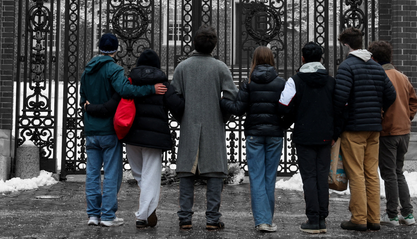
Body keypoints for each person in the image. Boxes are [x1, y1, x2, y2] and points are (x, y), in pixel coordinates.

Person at [85, 48, 185, 229]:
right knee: (151, 176)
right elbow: (178, 107)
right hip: (154, 139)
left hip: (131, 137)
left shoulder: (129, 82)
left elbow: (112, 105)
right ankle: (143, 214)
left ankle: (146, 207)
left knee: (140, 174)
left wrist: (90, 108)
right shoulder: (162, 84)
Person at [172, 24, 238, 231]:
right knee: (215, 172)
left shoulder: (182, 67)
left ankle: (185, 218)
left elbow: (174, 98)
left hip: (189, 124)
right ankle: (212, 218)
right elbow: (231, 96)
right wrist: (222, 116)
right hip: (213, 125)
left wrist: (181, 115)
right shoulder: (220, 67)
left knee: (186, 172)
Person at [334, 27, 396, 232]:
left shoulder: (347, 67)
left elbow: (340, 98)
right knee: (371, 172)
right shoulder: (377, 67)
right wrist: (379, 110)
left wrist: (342, 118)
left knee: (356, 173)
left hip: (354, 128)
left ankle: (359, 218)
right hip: (373, 128)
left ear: (346, 45)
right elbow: (391, 95)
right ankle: (374, 217)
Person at [220, 46, 286, 233]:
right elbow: (288, 108)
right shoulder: (281, 82)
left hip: (254, 134)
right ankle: (268, 219)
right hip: (274, 134)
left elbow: (238, 109)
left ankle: (262, 221)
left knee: (256, 177)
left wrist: (222, 101)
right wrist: (282, 124)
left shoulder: (248, 82)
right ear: (272, 59)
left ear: (254, 60)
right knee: (269, 178)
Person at [278, 42, 340, 234]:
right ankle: (322, 216)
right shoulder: (331, 81)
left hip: (304, 135)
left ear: (303, 58)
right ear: (321, 58)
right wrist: (334, 134)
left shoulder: (295, 80)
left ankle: (313, 219)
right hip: (325, 137)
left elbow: (283, 105)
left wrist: (289, 119)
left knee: (309, 177)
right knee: (322, 175)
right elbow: (339, 109)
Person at [368, 41, 417, 227]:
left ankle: (391, 215)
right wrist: (407, 117)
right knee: (398, 172)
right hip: (403, 131)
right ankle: (407, 214)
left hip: (388, 131)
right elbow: (414, 102)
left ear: (373, 58)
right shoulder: (402, 77)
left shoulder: (379, 75)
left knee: (389, 174)